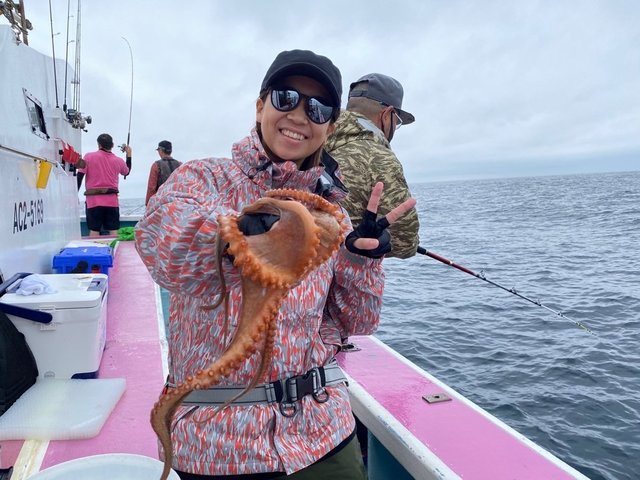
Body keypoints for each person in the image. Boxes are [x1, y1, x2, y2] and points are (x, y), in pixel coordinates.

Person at [135, 49, 415, 479]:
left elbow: (355, 322)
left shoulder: (331, 214)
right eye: (287, 98)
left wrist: (363, 260)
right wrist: (238, 235)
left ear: (331, 125)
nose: (301, 115)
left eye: (318, 108)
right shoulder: (203, 179)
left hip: (322, 433)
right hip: (216, 443)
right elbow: (165, 247)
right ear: (261, 104)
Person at [326, 73, 420, 259]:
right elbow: (405, 244)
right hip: (340, 280)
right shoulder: (380, 159)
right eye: (398, 122)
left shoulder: (312, 139)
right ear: (388, 114)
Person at [77, 133, 131, 236]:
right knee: (113, 230)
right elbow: (127, 172)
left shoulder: (88, 156)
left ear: (99, 144)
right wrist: (129, 154)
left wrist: (73, 194)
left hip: (93, 201)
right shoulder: (119, 161)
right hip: (112, 201)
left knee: (94, 230)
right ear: (113, 145)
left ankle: (94, 251)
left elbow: (79, 176)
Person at [145, 140, 182, 205]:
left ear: (161, 150)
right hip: (178, 204)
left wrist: (148, 204)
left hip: (162, 204)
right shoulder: (180, 165)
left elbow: (151, 188)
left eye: (158, 150)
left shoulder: (156, 165)